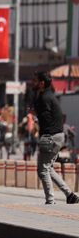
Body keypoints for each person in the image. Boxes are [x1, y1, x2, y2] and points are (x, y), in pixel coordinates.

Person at [31, 71, 79, 205]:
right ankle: (69, 195)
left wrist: (35, 117)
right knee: (48, 168)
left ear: (41, 83)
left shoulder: (43, 98)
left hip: (49, 136)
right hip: (58, 135)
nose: (33, 83)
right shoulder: (49, 96)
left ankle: (50, 201)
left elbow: (45, 119)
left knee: (42, 170)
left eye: (35, 81)